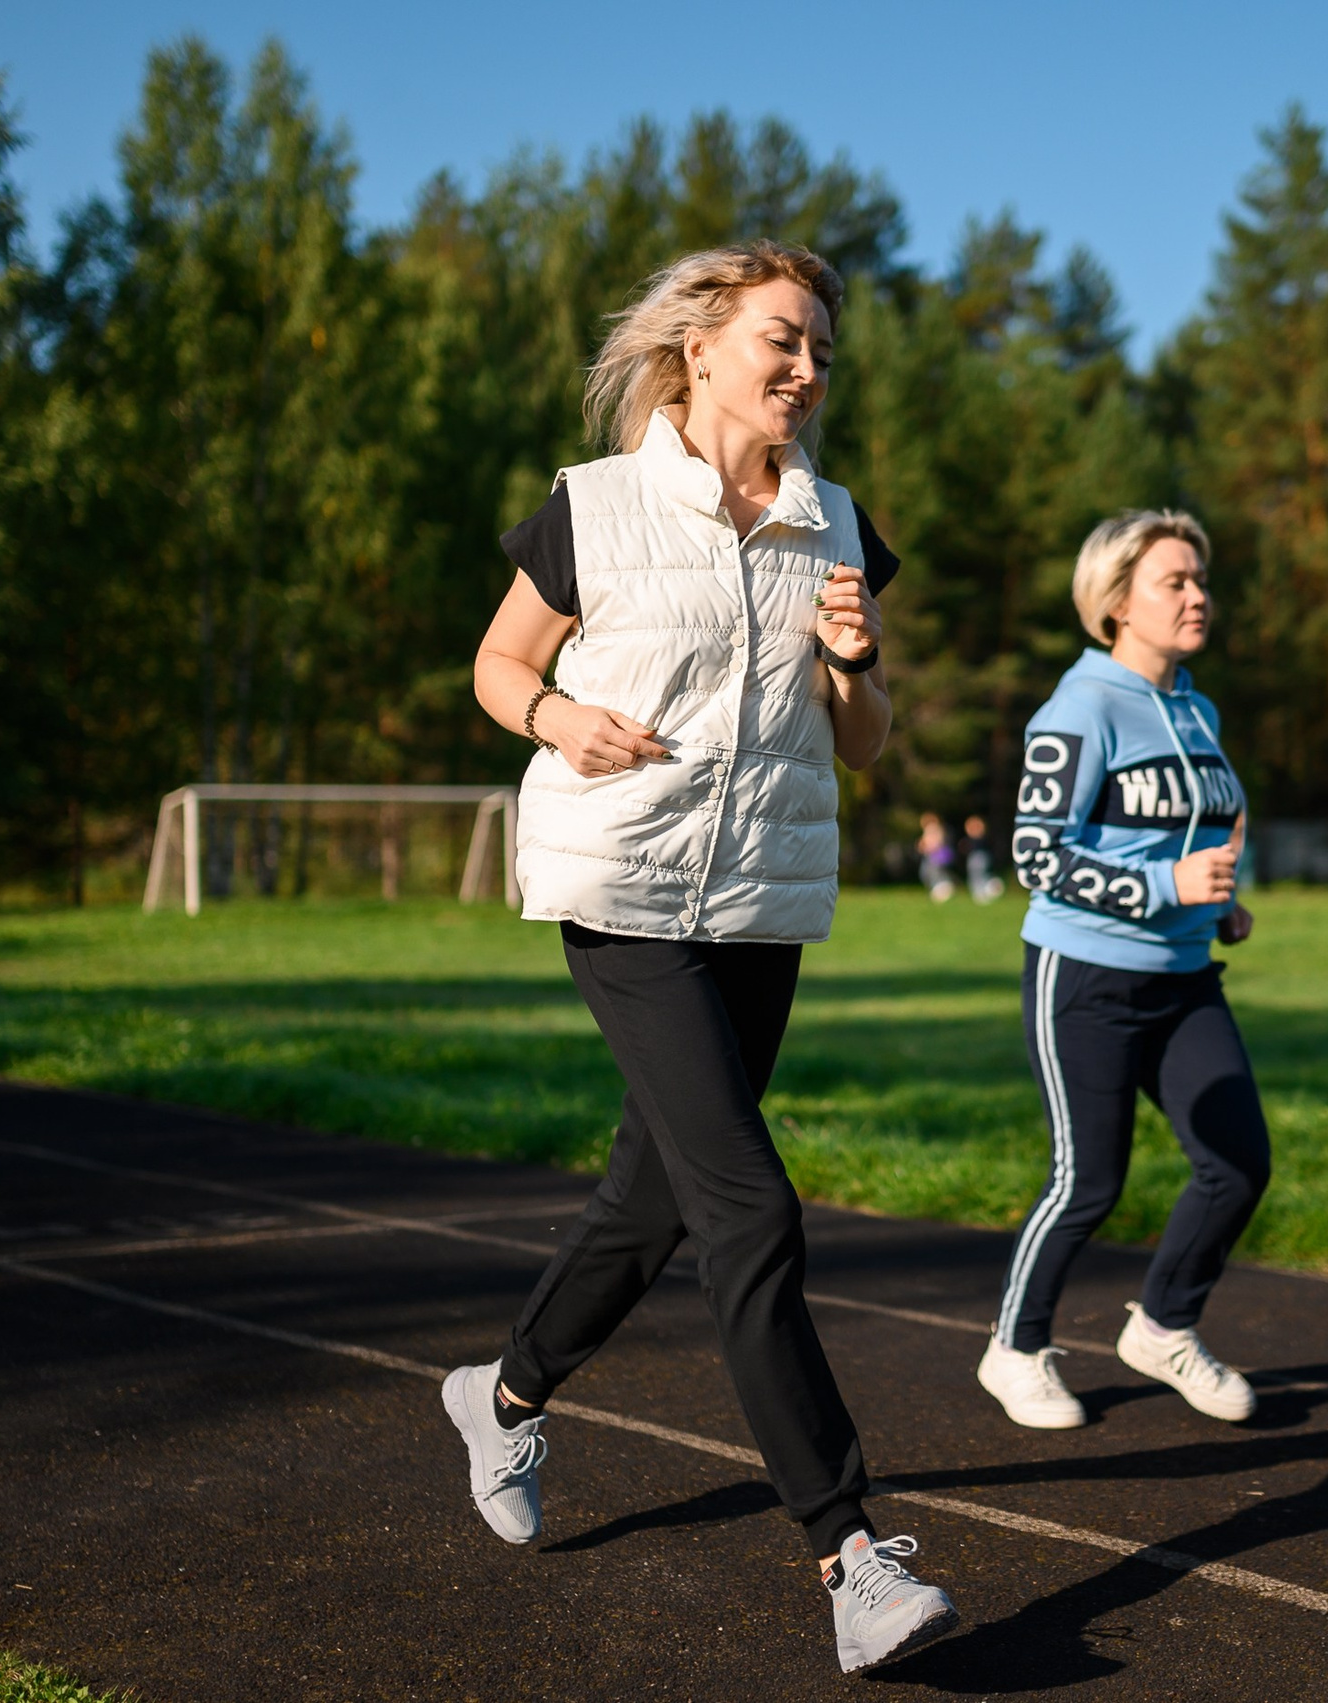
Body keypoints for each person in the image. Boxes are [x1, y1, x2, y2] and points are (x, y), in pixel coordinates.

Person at [444, 240, 957, 1674]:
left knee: (653, 1199)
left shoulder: (833, 523)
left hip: (758, 906)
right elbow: (495, 664)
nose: (807, 371)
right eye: (785, 342)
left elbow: (863, 746)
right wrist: (557, 717)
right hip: (623, 885)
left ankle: (503, 1395)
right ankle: (851, 1552)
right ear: (702, 346)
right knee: (751, 1208)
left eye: (822, 354)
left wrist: (852, 660)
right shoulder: (592, 508)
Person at [976, 510, 1270, 1432]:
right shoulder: (1079, 707)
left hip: (1184, 973)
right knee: (1087, 1181)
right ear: (1115, 602)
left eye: (1199, 580)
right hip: (1086, 975)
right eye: (1173, 582)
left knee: (1237, 1162)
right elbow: (1037, 854)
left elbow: (1200, 826)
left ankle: (1164, 1326)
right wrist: (1164, 881)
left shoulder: (1197, 706)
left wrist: (1216, 902)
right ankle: (1014, 1349)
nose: (1196, 596)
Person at [961, 814, 1005, 903]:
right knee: (978, 876)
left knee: (979, 876)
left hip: (978, 859)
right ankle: (983, 891)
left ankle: (983, 892)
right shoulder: (978, 840)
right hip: (978, 859)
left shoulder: (979, 840)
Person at [918, 811, 958, 902]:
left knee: (936, 872)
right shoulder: (929, 829)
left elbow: (937, 841)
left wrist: (929, 847)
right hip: (930, 856)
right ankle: (938, 887)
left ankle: (942, 888)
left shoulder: (935, 828)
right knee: (926, 872)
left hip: (938, 855)